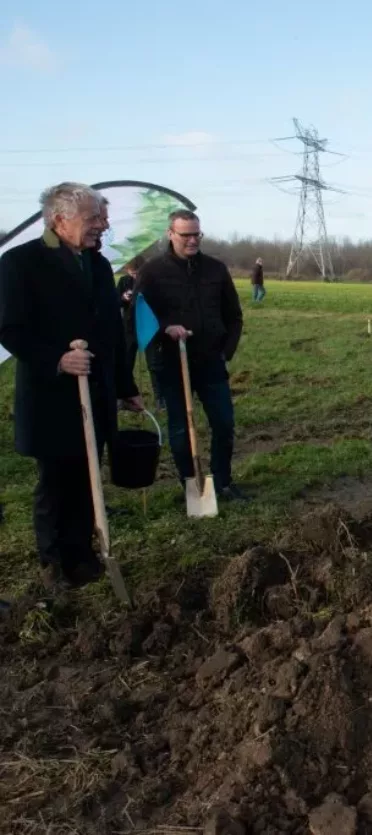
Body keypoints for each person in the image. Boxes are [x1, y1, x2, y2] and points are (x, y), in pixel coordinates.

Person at [0, 182, 143, 588]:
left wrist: (123, 385)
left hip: (94, 392)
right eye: (94, 218)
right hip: (51, 395)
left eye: (102, 217)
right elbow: (10, 329)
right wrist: (58, 359)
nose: (103, 224)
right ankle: (54, 563)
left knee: (87, 476)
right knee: (56, 481)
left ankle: (82, 556)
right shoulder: (20, 263)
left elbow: (112, 334)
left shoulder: (97, 265)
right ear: (60, 220)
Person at [137, 210, 247, 501]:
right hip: (172, 363)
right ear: (170, 234)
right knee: (180, 429)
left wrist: (225, 352)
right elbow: (139, 317)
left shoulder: (215, 269)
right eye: (185, 235)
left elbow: (234, 316)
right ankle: (190, 484)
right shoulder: (152, 272)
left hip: (211, 361)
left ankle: (222, 481)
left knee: (223, 422)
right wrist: (165, 329)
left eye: (197, 234)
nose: (192, 240)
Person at [116, 255, 162, 408]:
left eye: (138, 272)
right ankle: (125, 397)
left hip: (147, 327)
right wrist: (123, 298)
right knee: (126, 363)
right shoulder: (124, 282)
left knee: (154, 364)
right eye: (132, 272)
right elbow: (115, 301)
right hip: (128, 328)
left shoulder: (151, 280)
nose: (135, 275)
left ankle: (160, 398)